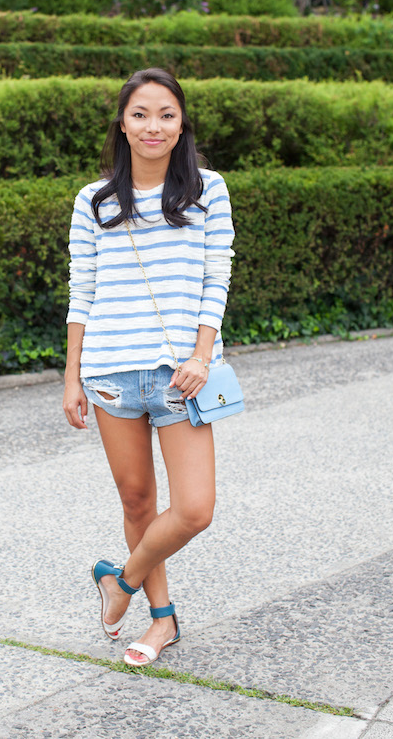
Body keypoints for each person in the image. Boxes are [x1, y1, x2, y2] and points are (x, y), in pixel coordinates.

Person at [63, 67, 235, 667]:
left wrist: (201, 352)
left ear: (181, 122)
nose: (153, 126)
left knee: (194, 509)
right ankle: (161, 622)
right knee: (137, 501)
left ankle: (121, 581)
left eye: (165, 114)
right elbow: (80, 290)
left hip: (179, 376)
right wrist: (71, 377)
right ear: (123, 123)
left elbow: (219, 276)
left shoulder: (206, 190)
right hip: (110, 372)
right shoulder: (95, 200)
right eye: (140, 114)